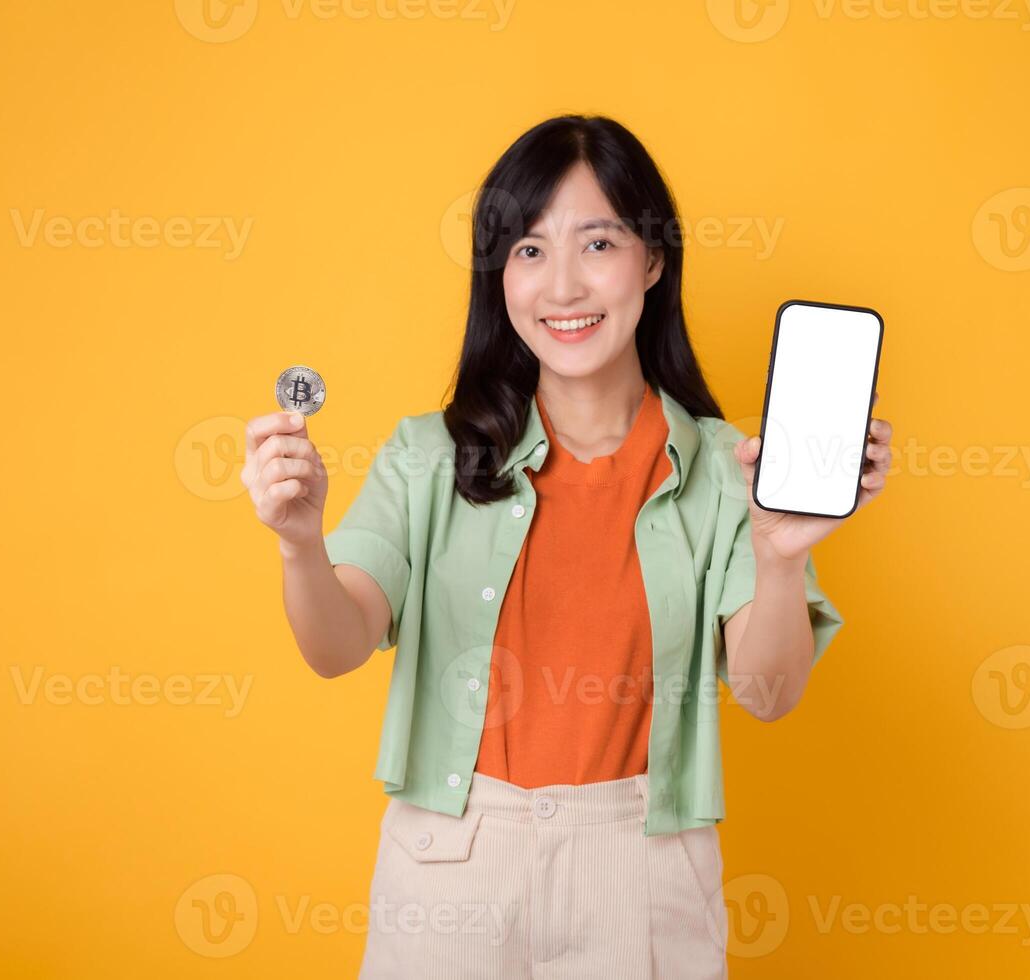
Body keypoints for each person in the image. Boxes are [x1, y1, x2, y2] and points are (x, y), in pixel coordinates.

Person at [242, 114, 892, 979]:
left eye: (597, 243)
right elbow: (336, 646)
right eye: (529, 251)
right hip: (450, 868)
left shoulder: (727, 469)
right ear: (499, 275)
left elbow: (769, 695)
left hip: (643, 873)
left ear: (653, 260)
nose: (563, 288)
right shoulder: (426, 456)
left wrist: (780, 556)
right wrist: (298, 546)